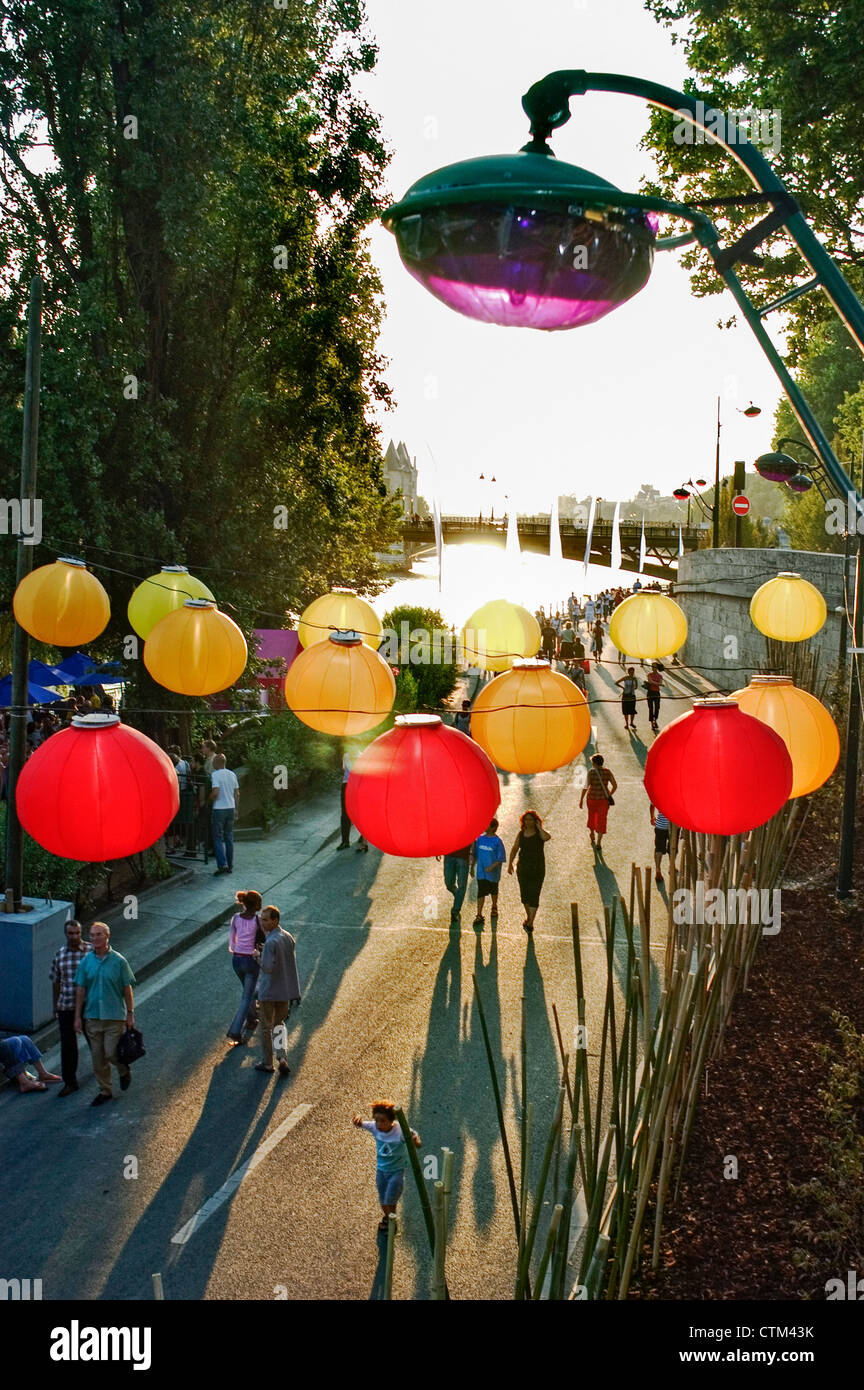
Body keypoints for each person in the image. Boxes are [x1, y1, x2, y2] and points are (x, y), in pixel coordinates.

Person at [73, 923, 136, 1106]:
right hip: (92, 1016)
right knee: (97, 1057)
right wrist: (77, 1016)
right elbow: (80, 990)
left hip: (114, 1016)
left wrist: (130, 1013)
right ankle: (105, 1090)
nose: (94, 939)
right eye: (92, 935)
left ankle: (123, 1069)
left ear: (107, 936)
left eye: (98, 935)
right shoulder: (86, 962)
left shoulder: (119, 961)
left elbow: (127, 988)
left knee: (110, 1053)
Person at [353, 1099, 421, 1232]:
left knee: (390, 1200)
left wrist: (415, 1141)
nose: (379, 1124)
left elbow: (417, 1142)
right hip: (381, 1171)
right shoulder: (374, 1127)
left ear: (391, 1121)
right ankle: (388, 1218)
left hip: (396, 1172)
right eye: (377, 1120)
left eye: (383, 1121)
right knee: (383, 1200)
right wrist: (357, 1120)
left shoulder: (400, 1131)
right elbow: (360, 1124)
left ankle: (392, 1224)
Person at [254, 905, 301, 1077]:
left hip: (269, 991)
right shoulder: (287, 937)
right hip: (285, 990)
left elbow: (267, 967)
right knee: (279, 1024)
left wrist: (257, 956)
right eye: (262, 918)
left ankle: (267, 1062)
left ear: (275, 920)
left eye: (266, 919)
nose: (262, 922)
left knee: (266, 1026)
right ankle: (282, 1057)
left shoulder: (271, 942)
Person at [50, 918, 91, 1096]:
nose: (74, 936)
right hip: (66, 1005)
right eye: (70, 933)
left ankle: (102, 1070)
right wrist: (55, 1006)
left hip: (89, 1005)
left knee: (95, 1040)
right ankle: (70, 1081)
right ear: (66, 935)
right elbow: (56, 982)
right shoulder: (60, 955)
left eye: (77, 933)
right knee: (68, 1046)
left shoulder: (91, 951)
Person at [226, 889, 263, 1044]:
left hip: (236, 960)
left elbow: (232, 939)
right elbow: (264, 938)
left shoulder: (235, 918)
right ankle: (235, 1030)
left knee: (247, 991)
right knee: (247, 996)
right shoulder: (257, 920)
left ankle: (252, 1018)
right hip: (250, 960)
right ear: (256, 905)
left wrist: (236, 949)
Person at [508, 810, 551, 933]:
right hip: (523, 868)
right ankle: (529, 918)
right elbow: (515, 848)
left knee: (534, 895)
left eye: (531, 819)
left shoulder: (539, 834)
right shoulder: (521, 834)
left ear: (535, 820)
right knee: (525, 896)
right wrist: (510, 863)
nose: (528, 822)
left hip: (537, 868)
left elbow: (547, 837)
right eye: (526, 819)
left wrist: (539, 827)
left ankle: (530, 923)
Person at [470, 818, 506, 929]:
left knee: (494, 891)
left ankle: (494, 906)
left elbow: (501, 858)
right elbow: (475, 854)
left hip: (493, 874)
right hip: (481, 873)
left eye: (487, 825)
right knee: (481, 892)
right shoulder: (480, 839)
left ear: (493, 827)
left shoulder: (497, 841)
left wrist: (492, 867)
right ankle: (479, 914)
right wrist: (472, 867)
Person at [579, 753, 617, 853]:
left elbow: (586, 786)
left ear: (595, 763)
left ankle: (592, 833)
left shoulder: (591, 772)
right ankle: (599, 842)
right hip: (604, 800)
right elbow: (615, 785)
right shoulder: (607, 772)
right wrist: (609, 794)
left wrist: (581, 799)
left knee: (591, 816)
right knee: (602, 820)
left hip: (591, 799)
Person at [210, 752, 239, 875]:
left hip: (219, 809)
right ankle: (230, 865)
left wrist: (209, 799)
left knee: (217, 838)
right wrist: (236, 809)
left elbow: (215, 792)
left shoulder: (215, 775)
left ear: (216, 763)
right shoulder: (232, 774)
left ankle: (222, 865)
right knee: (229, 837)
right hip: (231, 807)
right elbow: (237, 793)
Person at [339, 749, 368, 851]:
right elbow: (345, 768)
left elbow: (348, 769)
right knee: (345, 813)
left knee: (359, 812)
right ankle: (345, 841)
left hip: (357, 786)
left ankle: (360, 836)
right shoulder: (346, 756)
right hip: (347, 785)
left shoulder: (362, 757)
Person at [441, 843, 471, 923]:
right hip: (449, 854)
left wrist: (472, 854)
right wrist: (438, 849)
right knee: (449, 884)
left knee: (462, 885)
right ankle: (458, 896)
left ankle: (455, 911)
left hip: (463, 856)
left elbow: (473, 835)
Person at [650, 803, 671, 884]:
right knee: (673, 847)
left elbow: (652, 804)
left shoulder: (660, 791)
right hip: (674, 824)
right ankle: (671, 866)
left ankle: (658, 869)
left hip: (661, 825)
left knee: (659, 848)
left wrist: (652, 817)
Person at [645, 662, 664, 732]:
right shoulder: (649, 674)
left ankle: (655, 720)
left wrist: (655, 683)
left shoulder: (660, 676)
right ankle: (652, 723)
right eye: (652, 666)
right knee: (650, 708)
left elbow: (660, 683)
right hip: (650, 692)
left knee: (657, 708)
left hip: (656, 693)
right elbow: (650, 682)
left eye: (654, 667)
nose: (653, 668)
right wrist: (658, 683)